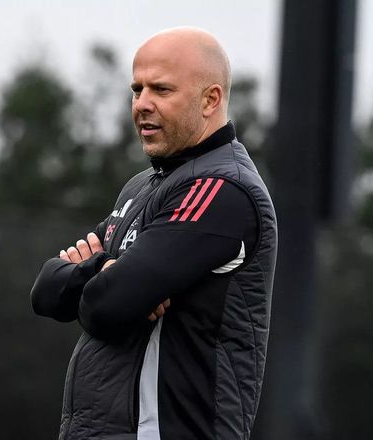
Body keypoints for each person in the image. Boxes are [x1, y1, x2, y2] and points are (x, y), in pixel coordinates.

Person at [31, 27, 277, 440]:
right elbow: (45, 291)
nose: (142, 104)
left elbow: (107, 305)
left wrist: (106, 282)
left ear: (210, 100)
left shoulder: (221, 189)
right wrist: (103, 271)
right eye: (137, 89)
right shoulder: (141, 187)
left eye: (161, 89)